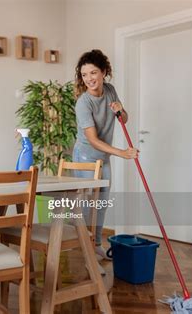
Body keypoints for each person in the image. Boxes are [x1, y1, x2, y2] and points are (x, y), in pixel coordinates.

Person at [73, 49, 139, 262]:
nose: (89, 79)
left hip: (104, 157)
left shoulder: (110, 90)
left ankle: (97, 245)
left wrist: (120, 110)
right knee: (88, 206)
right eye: (84, 75)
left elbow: (123, 119)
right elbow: (92, 139)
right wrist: (121, 153)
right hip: (85, 158)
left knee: (101, 203)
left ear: (103, 72)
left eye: (93, 73)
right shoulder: (83, 103)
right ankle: (87, 252)